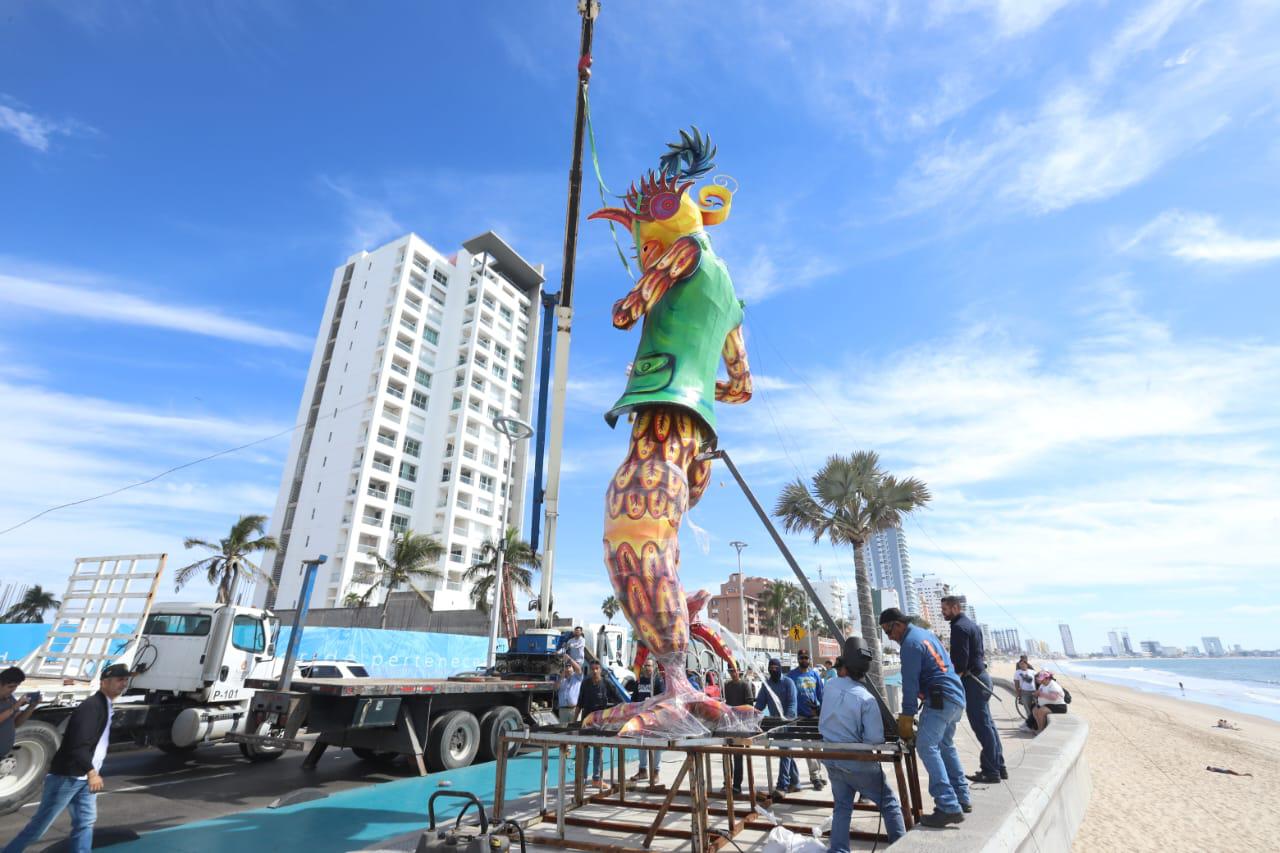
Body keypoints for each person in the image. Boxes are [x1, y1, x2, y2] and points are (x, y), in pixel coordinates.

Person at [4, 663, 133, 853]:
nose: (124, 684)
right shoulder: (91, 707)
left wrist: (90, 773)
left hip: (83, 778)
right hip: (69, 777)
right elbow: (77, 744)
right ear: (104, 682)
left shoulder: (104, 705)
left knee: (85, 823)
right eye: (120, 680)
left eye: (126, 680)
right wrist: (91, 772)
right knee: (38, 828)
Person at [879, 608, 970, 827]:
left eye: (889, 630)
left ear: (899, 624)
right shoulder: (925, 634)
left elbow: (909, 686)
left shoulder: (910, 644)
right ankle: (962, 797)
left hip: (940, 700)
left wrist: (906, 718)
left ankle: (948, 806)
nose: (889, 637)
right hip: (956, 697)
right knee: (945, 746)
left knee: (926, 747)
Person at [819, 650, 905, 848]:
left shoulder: (830, 685)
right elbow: (874, 738)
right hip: (856, 760)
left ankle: (839, 849)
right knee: (889, 803)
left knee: (841, 806)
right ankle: (901, 847)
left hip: (830, 756)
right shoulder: (866, 698)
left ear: (845, 668)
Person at [941, 595, 1006, 784]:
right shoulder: (971, 625)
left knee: (982, 726)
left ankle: (991, 770)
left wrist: (951, 683)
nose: (943, 613)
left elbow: (960, 662)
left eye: (945, 609)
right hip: (982, 677)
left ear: (955, 608)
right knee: (988, 725)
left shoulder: (959, 627)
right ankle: (998, 766)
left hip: (974, 682)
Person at [754, 658, 799, 796]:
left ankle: (782, 786)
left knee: (784, 752)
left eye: (775, 667)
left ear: (779, 668)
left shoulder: (788, 683)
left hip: (788, 723)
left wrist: (785, 720)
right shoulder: (766, 685)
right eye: (771, 667)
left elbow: (792, 704)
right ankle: (795, 782)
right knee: (786, 751)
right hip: (774, 724)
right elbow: (760, 703)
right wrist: (753, 715)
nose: (773, 670)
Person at [787, 649, 827, 791]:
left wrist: (821, 710)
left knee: (818, 746)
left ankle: (818, 774)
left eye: (806, 657)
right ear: (798, 659)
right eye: (801, 658)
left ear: (809, 659)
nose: (803, 660)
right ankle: (814, 776)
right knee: (807, 746)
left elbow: (821, 695)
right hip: (800, 717)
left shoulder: (815, 674)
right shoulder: (791, 676)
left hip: (815, 716)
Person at [578, 661, 614, 787]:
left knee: (598, 750)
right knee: (585, 751)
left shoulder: (606, 683)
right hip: (587, 721)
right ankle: (582, 779)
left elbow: (618, 698)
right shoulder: (585, 683)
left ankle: (596, 779)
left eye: (597, 668)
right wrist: (574, 721)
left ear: (600, 670)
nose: (594, 671)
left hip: (600, 722)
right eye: (592, 669)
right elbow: (579, 703)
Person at [629, 660, 665, 784]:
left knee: (657, 745)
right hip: (641, 718)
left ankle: (656, 771)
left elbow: (662, 699)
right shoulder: (639, 681)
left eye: (649, 665)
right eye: (645, 665)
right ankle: (643, 770)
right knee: (641, 744)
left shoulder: (658, 681)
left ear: (654, 667)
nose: (647, 668)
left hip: (654, 718)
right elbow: (633, 699)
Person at [723, 664, 755, 795]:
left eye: (734, 671)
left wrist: (741, 719)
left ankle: (737, 785)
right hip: (728, 725)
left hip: (740, 725)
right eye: (730, 671)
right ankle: (727, 782)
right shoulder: (727, 686)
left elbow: (749, 705)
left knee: (738, 756)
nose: (732, 673)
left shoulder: (745, 685)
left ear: (739, 671)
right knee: (726, 755)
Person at [0, 667, 41, 764]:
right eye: (10, 687)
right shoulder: (13, 703)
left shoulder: (9, 699)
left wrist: (31, 706)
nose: (12, 690)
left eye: (16, 687)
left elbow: (17, 723)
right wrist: (15, 706)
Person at [555, 656, 583, 724]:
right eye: (566, 667)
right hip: (563, 710)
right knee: (562, 731)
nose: (568, 669)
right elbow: (555, 688)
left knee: (574, 731)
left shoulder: (577, 678)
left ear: (573, 668)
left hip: (574, 710)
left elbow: (579, 669)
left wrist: (570, 659)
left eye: (569, 667)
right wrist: (562, 676)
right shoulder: (560, 679)